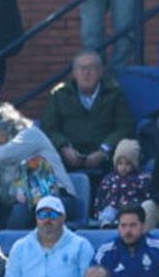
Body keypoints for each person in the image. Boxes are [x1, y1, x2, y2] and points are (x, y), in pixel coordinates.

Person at [0, 103, 75, 228]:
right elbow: (9, 199)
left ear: (8, 127)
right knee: (14, 210)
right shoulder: (1, 157)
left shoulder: (31, 135)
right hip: (27, 205)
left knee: (20, 210)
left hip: (59, 198)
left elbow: (8, 153)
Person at [41, 52, 135, 181]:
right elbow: (49, 127)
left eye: (91, 68)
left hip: (105, 156)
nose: (86, 73)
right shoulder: (60, 95)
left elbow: (125, 127)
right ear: (74, 73)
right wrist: (64, 148)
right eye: (82, 68)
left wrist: (104, 151)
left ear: (100, 71)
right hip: (67, 155)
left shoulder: (114, 94)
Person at [2, 197, 93, 277]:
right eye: (42, 215)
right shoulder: (20, 247)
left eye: (53, 215)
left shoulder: (81, 245)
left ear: (63, 218)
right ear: (36, 218)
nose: (47, 220)